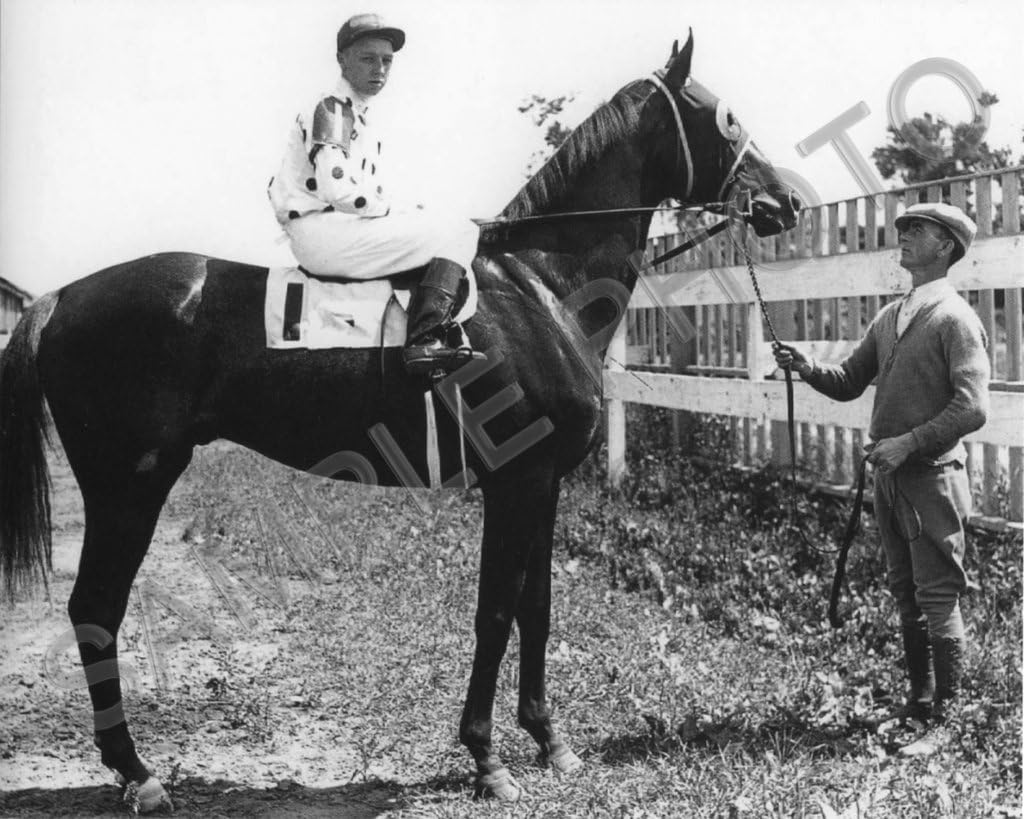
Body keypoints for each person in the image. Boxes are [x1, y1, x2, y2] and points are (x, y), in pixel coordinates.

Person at [773, 202, 989, 756]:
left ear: (946, 246)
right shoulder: (892, 315)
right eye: (904, 228)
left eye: (918, 229)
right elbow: (850, 380)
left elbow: (972, 407)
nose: (905, 235)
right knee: (904, 591)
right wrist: (806, 366)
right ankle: (919, 701)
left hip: (932, 477)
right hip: (890, 479)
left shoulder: (955, 319)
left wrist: (909, 443)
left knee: (937, 595)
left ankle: (946, 721)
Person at [268, 13, 483, 375]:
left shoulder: (358, 114)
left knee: (444, 223)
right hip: (323, 233)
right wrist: (398, 210)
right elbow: (339, 191)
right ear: (342, 59)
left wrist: (409, 211)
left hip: (335, 228)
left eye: (387, 60)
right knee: (460, 232)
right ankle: (425, 339)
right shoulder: (332, 109)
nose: (379, 69)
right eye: (368, 59)